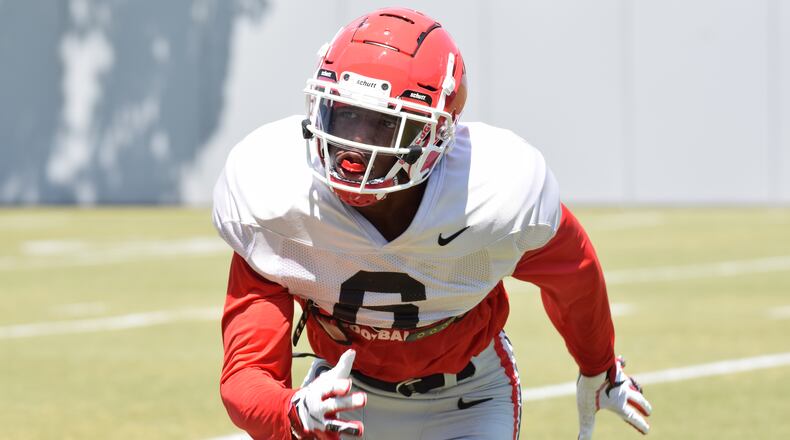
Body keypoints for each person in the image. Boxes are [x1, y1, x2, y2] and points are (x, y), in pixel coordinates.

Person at [212, 7, 652, 440]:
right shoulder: (275, 192)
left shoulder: (493, 191)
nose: (354, 143)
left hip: (470, 397)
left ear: (437, 133)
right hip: (343, 398)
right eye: (346, 114)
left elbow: (574, 275)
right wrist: (292, 412)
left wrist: (600, 367)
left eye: (383, 123)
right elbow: (245, 374)